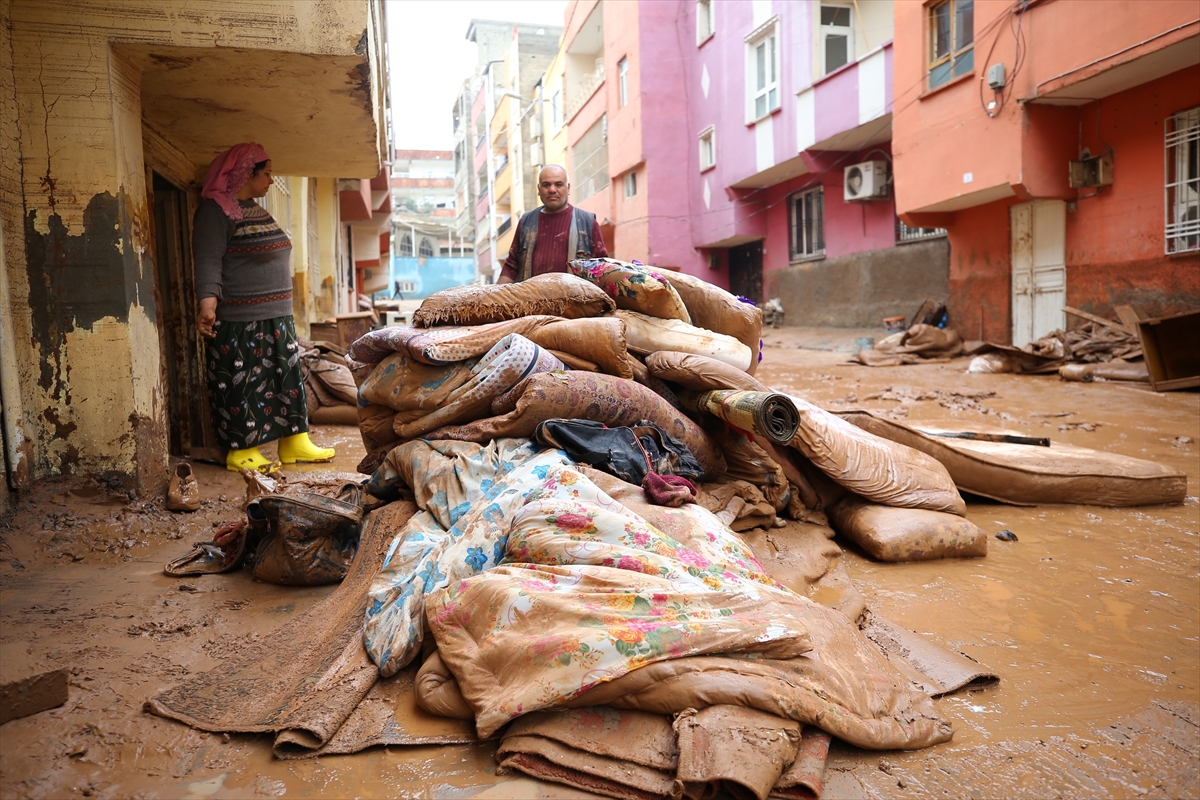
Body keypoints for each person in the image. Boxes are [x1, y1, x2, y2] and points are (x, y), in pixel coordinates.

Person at [193, 142, 336, 472]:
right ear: (246, 173)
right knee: (243, 386)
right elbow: (208, 261)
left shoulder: (254, 209)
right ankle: (242, 451)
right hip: (242, 321)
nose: (272, 180)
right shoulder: (214, 212)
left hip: (277, 318)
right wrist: (208, 305)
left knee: (287, 381)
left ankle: (295, 442)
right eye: (267, 173)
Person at [498, 164, 608, 283]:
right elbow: (511, 267)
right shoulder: (526, 222)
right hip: (533, 295)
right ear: (539, 189)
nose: (552, 190)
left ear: (568, 188)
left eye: (558, 184)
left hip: (575, 295)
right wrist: (494, 293)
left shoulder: (587, 222)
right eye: (546, 185)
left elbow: (603, 270)